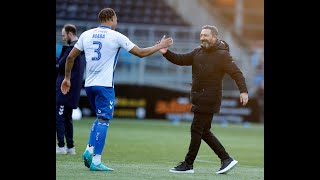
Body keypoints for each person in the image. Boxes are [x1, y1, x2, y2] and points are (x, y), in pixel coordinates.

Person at [60, 7, 173, 171]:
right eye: (116, 19)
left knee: (99, 117)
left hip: (90, 85)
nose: (117, 22)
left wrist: (67, 78)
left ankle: (88, 150)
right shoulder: (116, 36)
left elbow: (70, 57)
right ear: (112, 18)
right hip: (105, 85)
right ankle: (96, 161)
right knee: (104, 120)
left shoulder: (86, 34)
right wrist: (159, 46)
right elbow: (140, 53)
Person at [158, 25, 249, 174]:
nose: (202, 38)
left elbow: (237, 74)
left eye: (206, 35)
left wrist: (243, 91)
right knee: (204, 131)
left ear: (214, 37)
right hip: (199, 98)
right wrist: (165, 52)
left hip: (210, 99)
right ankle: (226, 159)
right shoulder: (197, 52)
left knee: (196, 129)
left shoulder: (223, 55)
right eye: (201, 35)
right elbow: (180, 59)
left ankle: (188, 164)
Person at [56, 24, 86, 155]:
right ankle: (70, 147)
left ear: (69, 34)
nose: (63, 38)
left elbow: (60, 66)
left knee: (60, 116)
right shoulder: (80, 48)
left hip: (65, 90)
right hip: (73, 90)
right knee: (67, 117)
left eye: (63, 35)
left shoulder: (72, 50)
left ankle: (61, 146)